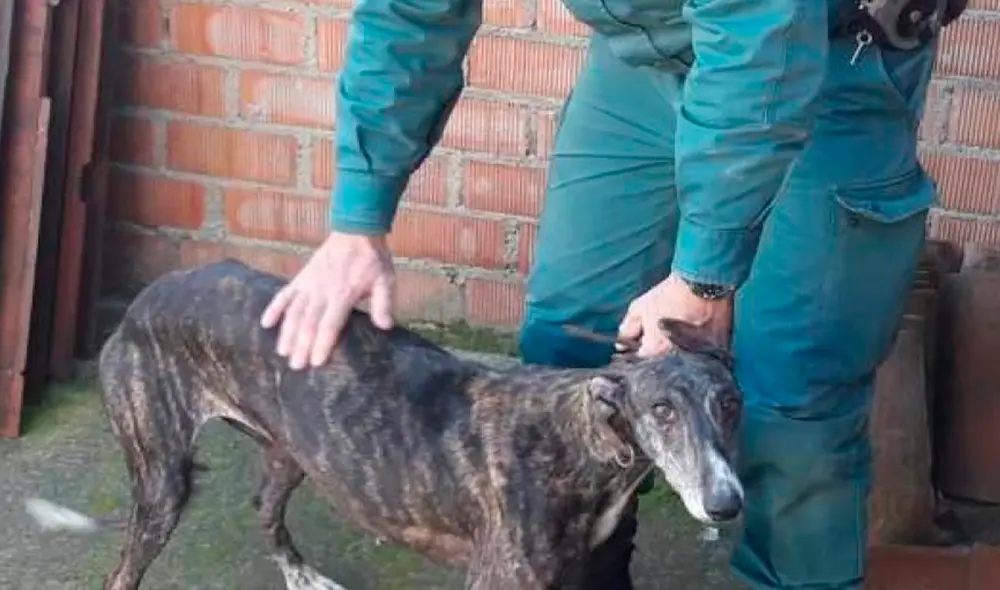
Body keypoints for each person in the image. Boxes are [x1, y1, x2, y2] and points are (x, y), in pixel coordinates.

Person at [259, 0, 964, 585]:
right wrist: (359, 217)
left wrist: (703, 277)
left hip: (811, 59)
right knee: (570, 356)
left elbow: (760, 40)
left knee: (791, 411)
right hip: (644, 59)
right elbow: (412, 12)